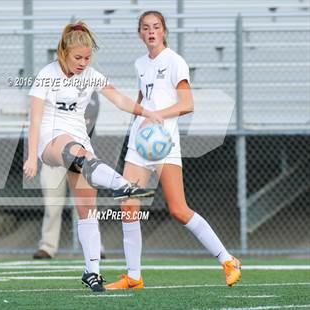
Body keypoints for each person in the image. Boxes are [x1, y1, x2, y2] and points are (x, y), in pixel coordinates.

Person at [105, 11, 242, 290]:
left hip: (164, 143)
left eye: (156, 27)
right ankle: (134, 276)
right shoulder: (140, 63)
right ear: (140, 33)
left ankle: (228, 260)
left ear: (164, 31)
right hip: (139, 143)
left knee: (178, 210)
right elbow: (145, 99)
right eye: (145, 28)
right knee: (128, 207)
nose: (151, 32)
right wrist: (140, 114)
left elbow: (187, 104)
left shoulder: (175, 62)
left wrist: (156, 114)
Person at [23, 21, 162, 292]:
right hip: (51, 142)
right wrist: (31, 156)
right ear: (63, 52)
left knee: (87, 209)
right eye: (78, 57)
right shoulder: (47, 74)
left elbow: (120, 100)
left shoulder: (91, 74)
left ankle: (92, 272)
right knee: (73, 151)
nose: (83, 62)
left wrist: (147, 113)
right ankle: (122, 185)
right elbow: (35, 118)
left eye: (87, 57)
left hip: (80, 143)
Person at [33, 93, 106, 260]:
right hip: (54, 152)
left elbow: (89, 118)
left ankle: (95, 246)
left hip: (78, 153)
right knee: (52, 203)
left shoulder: (89, 91)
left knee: (86, 203)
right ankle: (47, 246)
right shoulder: (51, 87)